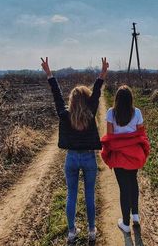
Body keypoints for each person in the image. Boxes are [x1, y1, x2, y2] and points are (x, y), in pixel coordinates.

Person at [41, 57, 109, 243]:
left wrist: (49, 74)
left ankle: (72, 232)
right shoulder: (91, 112)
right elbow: (96, 92)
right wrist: (102, 73)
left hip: (71, 159)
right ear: (87, 100)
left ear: (71, 100)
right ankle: (92, 231)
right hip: (88, 159)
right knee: (89, 195)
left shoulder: (64, 114)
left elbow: (57, 94)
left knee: (71, 194)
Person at [100, 85, 150, 233]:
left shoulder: (111, 113)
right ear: (130, 99)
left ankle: (126, 224)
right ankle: (135, 216)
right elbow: (141, 134)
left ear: (117, 99)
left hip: (118, 157)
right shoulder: (137, 112)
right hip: (134, 155)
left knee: (124, 188)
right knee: (133, 183)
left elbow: (110, 136)